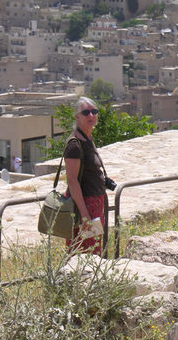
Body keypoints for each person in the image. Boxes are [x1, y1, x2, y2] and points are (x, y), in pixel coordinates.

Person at [64, 97, 106, 255]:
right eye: (86, 112)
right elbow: (72, 181)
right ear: (77, 117)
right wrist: (84, 214)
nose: (91, 116)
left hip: (94, 204)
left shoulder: (87, 138)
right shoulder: (75, 144)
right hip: (85, 205)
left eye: (94, 112)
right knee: (84, 252)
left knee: (94, 249)